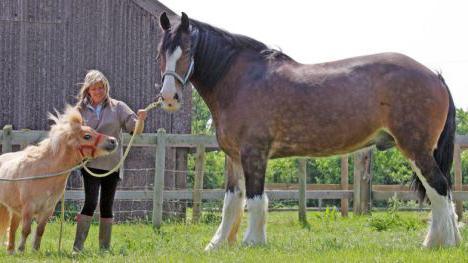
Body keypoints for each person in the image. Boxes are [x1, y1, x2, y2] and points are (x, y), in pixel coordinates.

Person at [72, 70, 147, 252]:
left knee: (107, 205)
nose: (98, 91)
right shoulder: (79, 110)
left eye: (101, 87)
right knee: (90, 202)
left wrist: (141, 119)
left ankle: (104, 249)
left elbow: (135, 130)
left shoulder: (118, 107)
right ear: (88, 90)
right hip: (90, 164)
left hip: (112, 164)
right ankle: (77, 247)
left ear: (106, 88)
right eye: (94, 88)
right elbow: (72, 134)